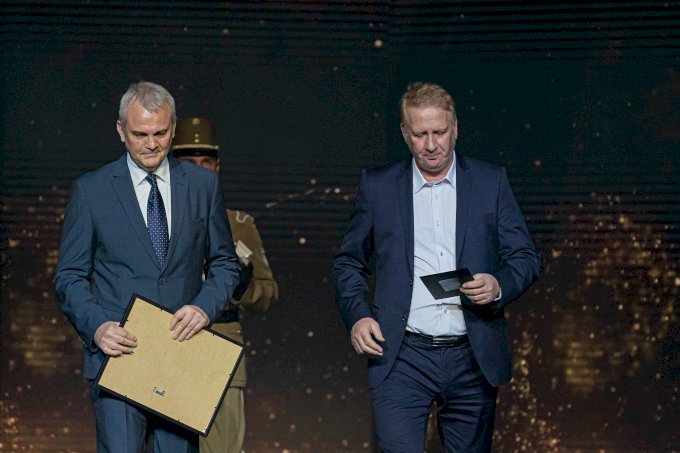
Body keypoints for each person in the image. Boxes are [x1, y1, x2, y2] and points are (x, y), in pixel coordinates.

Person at [333, 81, 540, 452]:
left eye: (439, 132)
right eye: (420, 134)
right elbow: (348, 261)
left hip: (472, 354)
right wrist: (359, 317)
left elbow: (525, 257)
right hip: (401, 355)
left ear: (455, 128)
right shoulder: (379, 186)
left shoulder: (490, 181)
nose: (431, 145)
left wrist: (498, 285)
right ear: (404, 133)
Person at [54, 81, 241, 453]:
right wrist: (97, 326)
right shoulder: (92, 190)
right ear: (121, 131)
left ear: (173, 130)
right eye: (140, 134)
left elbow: (225, 263)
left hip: (179, 355)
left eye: (160, 133)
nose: (151, 144)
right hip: (119, 357)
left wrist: (204, 308)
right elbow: (69, 276)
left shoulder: (202, 186)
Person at [172, 117, 279, 453]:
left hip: (219, 347)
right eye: (189, 163)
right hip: (165, 345)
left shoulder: (239, 225)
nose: (199, 171)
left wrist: (241, 288)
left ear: (217, 168)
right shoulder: (152, 222)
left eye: (206, 162)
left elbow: (268, 293)